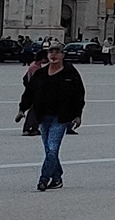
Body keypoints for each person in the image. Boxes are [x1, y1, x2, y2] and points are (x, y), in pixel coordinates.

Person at [19, 42, 86, 190]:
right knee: (48, 149)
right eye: (51, 52)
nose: (53, 55)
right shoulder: (40, 74)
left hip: (61, 117)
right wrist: (22, 109)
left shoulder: (70, 73)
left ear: (62, 55)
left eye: (57, 52)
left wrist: (78, 115)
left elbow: (79, 94)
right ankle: (57, 178)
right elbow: (29, 92)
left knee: (53, 148)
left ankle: (43, 179)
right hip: (43, 117)